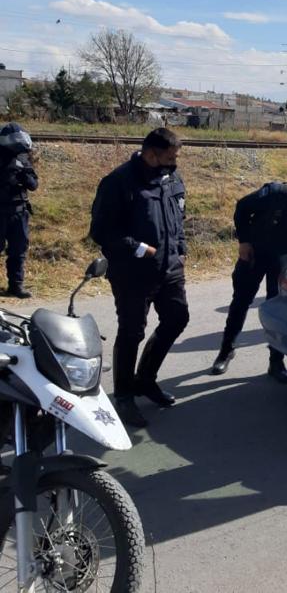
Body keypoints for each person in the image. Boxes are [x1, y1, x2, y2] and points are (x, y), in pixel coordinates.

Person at [90, 128, 189, 428]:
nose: (174, 162)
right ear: (150, 154)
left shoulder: (171, 178)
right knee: (131, 332)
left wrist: (181, 248)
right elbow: (101, 232)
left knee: (177, 319)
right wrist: (137, 249)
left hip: (170, 268)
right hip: (133, 273)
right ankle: (124, 396)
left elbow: (179, 217)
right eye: (169, 157)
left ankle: (145, 379)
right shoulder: (118, 182)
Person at [211, 172, 287, 382]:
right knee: (240, 303)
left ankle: (276, 362)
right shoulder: (275, 193)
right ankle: (226, 351)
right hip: (254, 254)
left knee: (278, 310)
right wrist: (243, 242)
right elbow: (242, 208)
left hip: (284, 262)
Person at [0, 124, 38, 299]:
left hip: (19, 211)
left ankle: (16, 285)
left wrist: (24, 175)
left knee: (18, 250)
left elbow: (33, 184)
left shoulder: (22, 158)